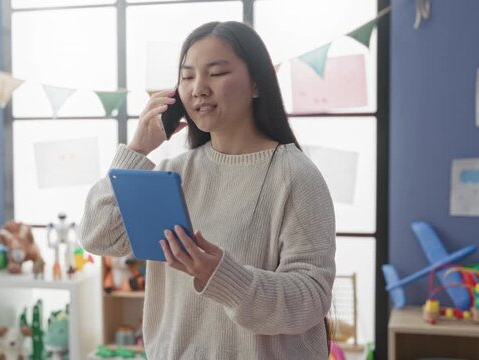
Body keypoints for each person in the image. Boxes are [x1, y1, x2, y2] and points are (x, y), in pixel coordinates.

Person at [78, 21, 336, 360]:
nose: (198, 88)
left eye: (215, 73)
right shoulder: (174, 172)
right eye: (187, 77)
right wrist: (137, 150)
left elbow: (310, 300)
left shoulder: (295, 176)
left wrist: (221, 275)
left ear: (257, 83)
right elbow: (98, 236)